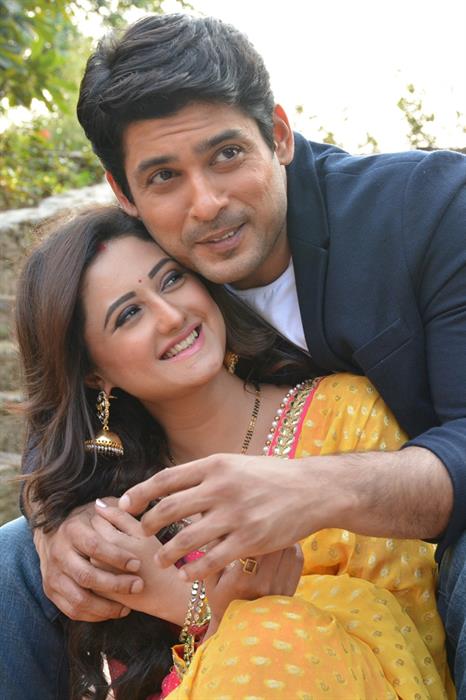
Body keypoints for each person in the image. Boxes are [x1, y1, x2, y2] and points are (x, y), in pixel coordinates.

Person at [0, 11, 465, 698]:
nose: (208, 203)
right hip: (238, 638)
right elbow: (70, 398)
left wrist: (311, 489)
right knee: (16, 554)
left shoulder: (424, 211)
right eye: (164, 175)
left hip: (425, 557)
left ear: (279, 134)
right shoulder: (160, 253)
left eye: (226, 154)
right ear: (125, 195)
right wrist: (55, 519)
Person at [5, 205, 455, 699]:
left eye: (172, 280)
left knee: (270, 635)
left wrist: (196, 602)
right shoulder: (119, 511)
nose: (171, 316)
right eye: (129, 314)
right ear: (95, 373)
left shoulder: (347, 411)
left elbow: (408, 621)